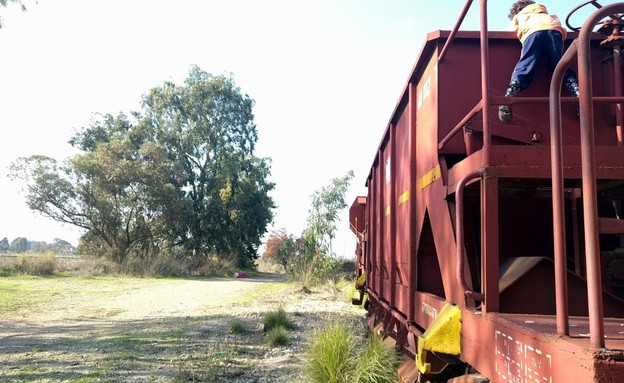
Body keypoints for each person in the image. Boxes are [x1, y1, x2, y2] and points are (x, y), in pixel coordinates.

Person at [499, 1, 580, 123]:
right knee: (560, 66)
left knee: (525, 66)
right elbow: (562, 30)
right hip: (554, 33)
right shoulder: (549, 15)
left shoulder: (520, 16)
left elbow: (511, 31)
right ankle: (579, 96)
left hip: (533, 34)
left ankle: (508, 99)